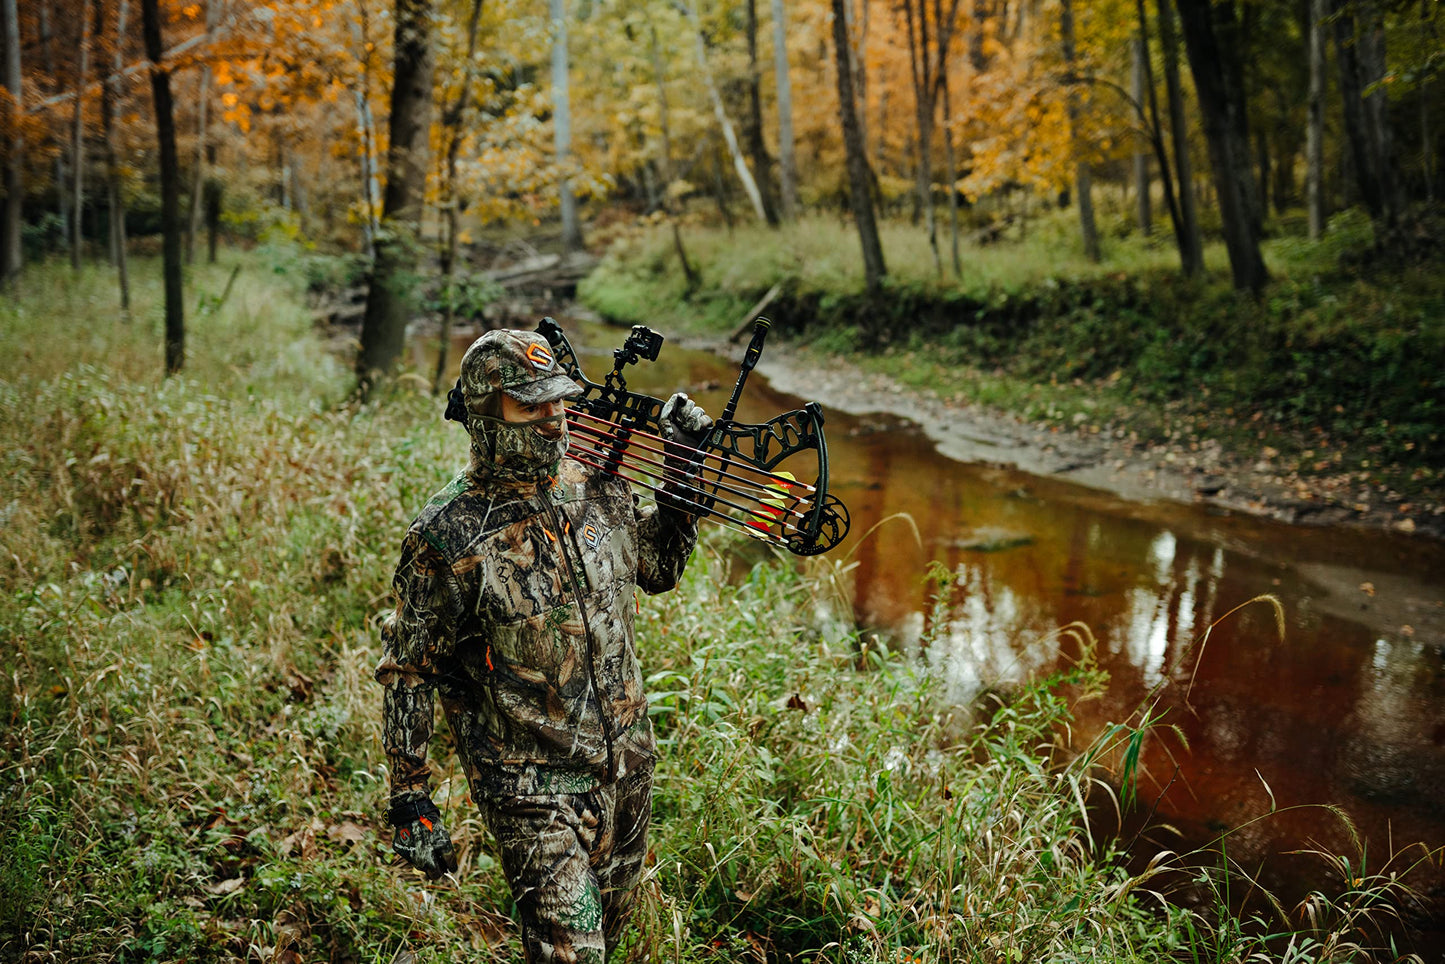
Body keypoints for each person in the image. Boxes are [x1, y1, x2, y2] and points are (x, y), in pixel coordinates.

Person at [374, 328, 712, 963]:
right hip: (531, 790)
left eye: (558, 400)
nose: (553, 418)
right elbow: (409, 670)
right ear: (484, 413)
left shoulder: (596, 489)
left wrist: (683, 470)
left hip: (627, 769)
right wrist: (410, 799)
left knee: (606, 940)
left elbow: (659, 567)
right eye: (531, 405)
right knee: (573, 956)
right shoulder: (446, 537)